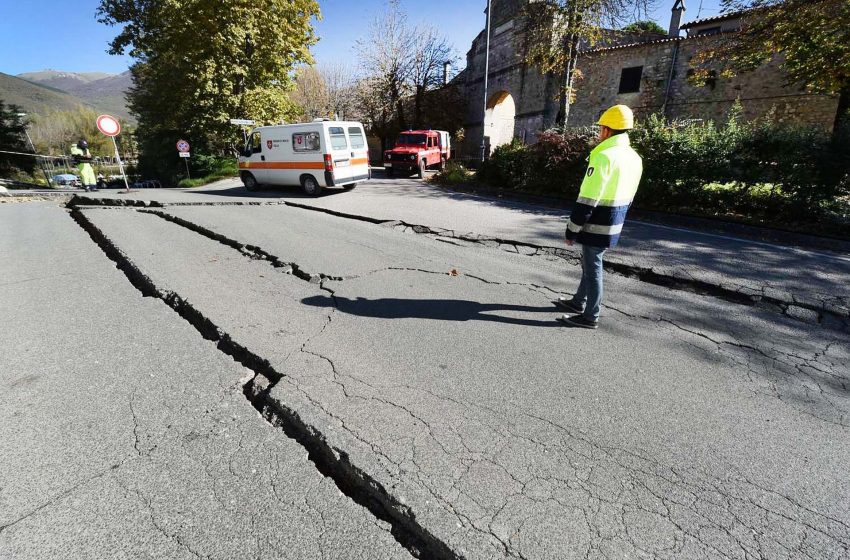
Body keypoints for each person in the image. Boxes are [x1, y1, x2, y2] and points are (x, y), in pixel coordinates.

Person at [556, 105, 643, 329]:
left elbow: (588, 198)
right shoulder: (634, 158)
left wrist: (572, 229)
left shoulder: (604, 156)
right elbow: (631, 195)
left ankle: (590, 315)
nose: (598, 133)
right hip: (615, 220)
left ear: (606, 130)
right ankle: (578, 302)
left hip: (596, 222)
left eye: (600, 129)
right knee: (589, 263)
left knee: (593, 267)